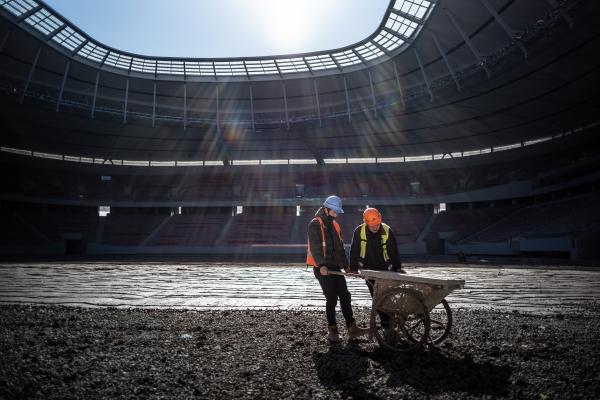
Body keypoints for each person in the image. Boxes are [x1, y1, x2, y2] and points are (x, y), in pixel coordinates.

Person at [307, 195, 370, 343]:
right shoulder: (315, 224)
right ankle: (333, 331)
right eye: (334, 212)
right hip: (322, 268)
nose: (336, 214)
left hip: (334, 267)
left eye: (337, 212)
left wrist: (346, 266)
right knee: (332, 297)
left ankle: (352, 328)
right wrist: (321, 265)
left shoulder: (335, 225)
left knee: (345, 295)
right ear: (326, 209)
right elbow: (315, 247)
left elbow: (340, 250)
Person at [349, 207, 404, 328]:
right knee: (376, 298)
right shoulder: (359, 231)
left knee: (387, 296)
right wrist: (353, 268)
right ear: (366, 222)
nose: (375, 228)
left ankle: (390, 321)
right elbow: (354, 250)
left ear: (380, 220)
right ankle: (386, 323)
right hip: (368, 271)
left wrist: (398, 268)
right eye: (372, 226)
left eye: (377, 225)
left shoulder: (387, 230)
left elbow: (393, 251)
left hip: (386, 270)